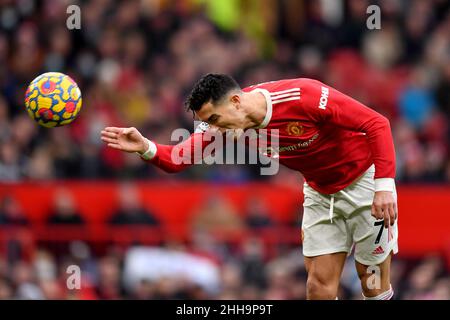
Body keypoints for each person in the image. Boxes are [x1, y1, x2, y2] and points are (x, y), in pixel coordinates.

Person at [101, 73, 398, 300]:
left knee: (370, 281)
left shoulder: (304, 95)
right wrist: (145, 147)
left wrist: (384, 186)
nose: (213, 130)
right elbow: (178, 160)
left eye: (215, 120)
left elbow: (377, 124)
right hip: (320, 193)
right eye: (208, 124)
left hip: (365, 184)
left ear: (235, 101)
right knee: (318, 287)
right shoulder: (230, 123)